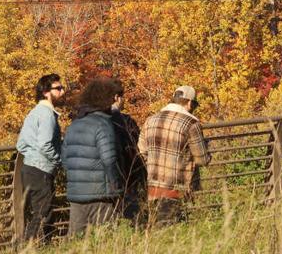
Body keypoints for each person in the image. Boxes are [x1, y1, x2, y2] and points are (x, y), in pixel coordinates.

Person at [136, 85, 211, 227]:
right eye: (195, 104)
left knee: (155, 228)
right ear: (189, 103)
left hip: (152, 186)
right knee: (174, 231)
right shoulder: (191, 124)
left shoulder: (150, 120)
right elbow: (202, 159)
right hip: (177, 188)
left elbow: (141, 152)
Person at [61, 78, 123, 237]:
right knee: (106, 239)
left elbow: (65, 160)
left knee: (76, 240)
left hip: (76, 194)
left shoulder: (74, 125)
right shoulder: (103, 124)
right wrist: (117, 186)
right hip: (99, 194)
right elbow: (109, 160)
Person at [16, 73, 66, 243]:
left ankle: (32, 246)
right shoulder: (47, 115)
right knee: (43, 213)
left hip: (29, 169)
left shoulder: (34, 113)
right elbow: (45, 144)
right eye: (58, 88)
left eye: (62, 88)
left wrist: (33, 156)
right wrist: (59, 160)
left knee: (38, 212)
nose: (62, 91)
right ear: (46, 92)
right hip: (41, 171)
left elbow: (21, 145)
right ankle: (28, 247)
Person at [108, 80, 145, 224]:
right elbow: (135, 145)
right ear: (117, 97)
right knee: (131, 213)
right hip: (128, 173)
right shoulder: (125, 121)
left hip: (107, 175)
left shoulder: (96, 120)